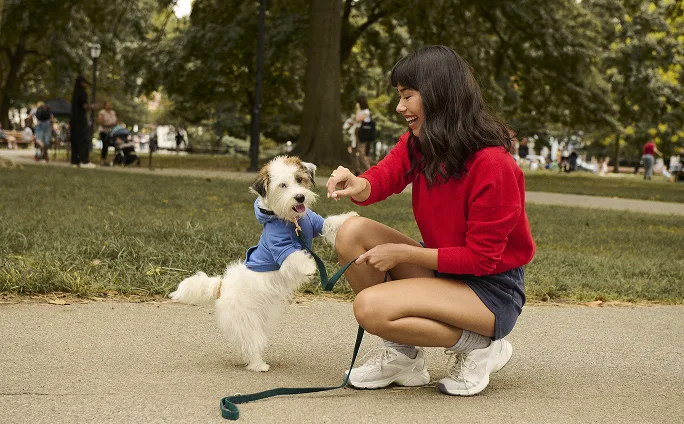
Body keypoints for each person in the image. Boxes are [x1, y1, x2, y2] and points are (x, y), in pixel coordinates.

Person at [325, 46, 535, 396]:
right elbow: (385, 176)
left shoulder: (494, 166)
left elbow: (482, 259)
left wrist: (404, 255)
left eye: (408, 96)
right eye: (400, 96)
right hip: (445, 270)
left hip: (491, 290)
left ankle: (480, 345)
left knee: (370, 309)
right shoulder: (421, 144)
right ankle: (404, 357)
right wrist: (357, 183)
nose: (399, 107)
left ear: (439, 97)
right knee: (351, 231)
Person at [70, 75, 97, 168]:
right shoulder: (82, 92)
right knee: (83, 139)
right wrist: (92, 107)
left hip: (73, 119)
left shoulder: (74, 93)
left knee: (75, 140)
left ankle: (74, 161)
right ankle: (84, 161)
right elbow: (84, 105)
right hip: (80, 120)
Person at [97, 101, 118, 166]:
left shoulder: (113, 112)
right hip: (104, 131)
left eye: (110, 104)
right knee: (105, 144)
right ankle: (103, 160)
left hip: (112, 131)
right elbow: (100, 121)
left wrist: (113, 124)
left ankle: (115, 160)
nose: (109, 106)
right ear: (104, 105)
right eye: (107, 105)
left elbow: (116, 121)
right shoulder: (102, 112)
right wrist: (108, 125)